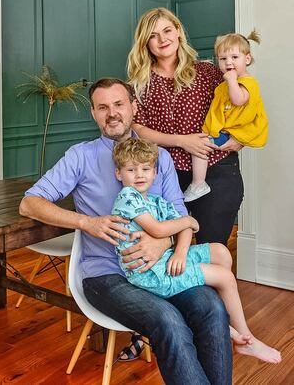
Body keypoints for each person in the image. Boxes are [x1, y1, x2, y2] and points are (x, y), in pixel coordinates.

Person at [19, 77, 235, 385]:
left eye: (119, 104)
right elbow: (29, 204)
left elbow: (180, 216)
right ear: (94, 113)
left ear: (133, 107)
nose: (112, 113)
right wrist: (86, 222)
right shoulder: (81, 156)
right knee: (168, 320)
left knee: (212, 307)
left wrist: (162, 243)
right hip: (105, 275)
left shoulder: (158, 157)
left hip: (162, 268)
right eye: (103, 107)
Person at [111, 137, 281, 363]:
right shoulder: (127, 197)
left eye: (145, 168)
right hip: (151, 273)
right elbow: (159, 229)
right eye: (131, 169)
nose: (139, 175)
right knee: (224, 277)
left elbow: (187, 227)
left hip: (167, 258)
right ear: (119, 174)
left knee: (220, 251)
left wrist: (182, 250)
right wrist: (188, 222)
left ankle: (223, 323)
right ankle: (244, 338)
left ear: (155, 172)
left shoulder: (157, 201)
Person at [127, 7, 243, 246]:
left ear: (178, 31)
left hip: (217, 170)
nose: (162, 39)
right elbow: (139, 129)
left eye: (167, 30)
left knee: (212, 249)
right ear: (145, 42)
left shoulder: (207, 71)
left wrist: (239, 139)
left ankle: (216, 284)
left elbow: (238, 107)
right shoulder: (140, 82)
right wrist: (182, 140)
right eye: (153, 35)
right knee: (165, 250)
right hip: (165, 174)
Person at [184, 31, 267, 201]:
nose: (228, 62)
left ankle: (198, 184)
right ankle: (198, 183)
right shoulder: (228, 81)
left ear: (247, 59)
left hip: (229, 132)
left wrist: (231, 81)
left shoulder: (246, 82)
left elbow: (238, 100)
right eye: (223, 59)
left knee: (200, 147)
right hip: (224, 129)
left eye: (234, 57)